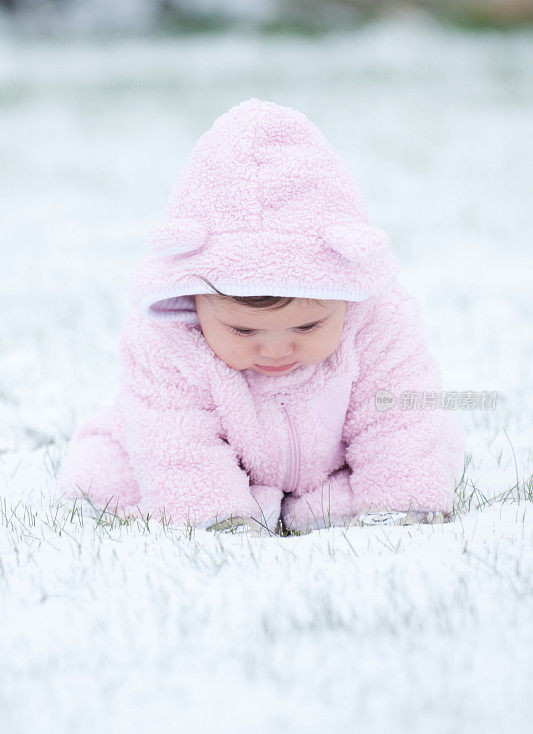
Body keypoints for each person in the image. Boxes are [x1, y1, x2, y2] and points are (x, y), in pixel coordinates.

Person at [57, 98, 466, 535]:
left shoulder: (377, 322)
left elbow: (396, 413)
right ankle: (237, 504)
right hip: (210, 462)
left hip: (332, 461)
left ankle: (322, 503)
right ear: (192, 301)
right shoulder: (168, 341)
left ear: (345, 297)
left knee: (430, 441)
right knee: (102, 472)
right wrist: (216, 516)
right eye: (243, 329)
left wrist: (398, 498)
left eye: (307, 326)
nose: (275, 348)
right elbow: (175, 438)